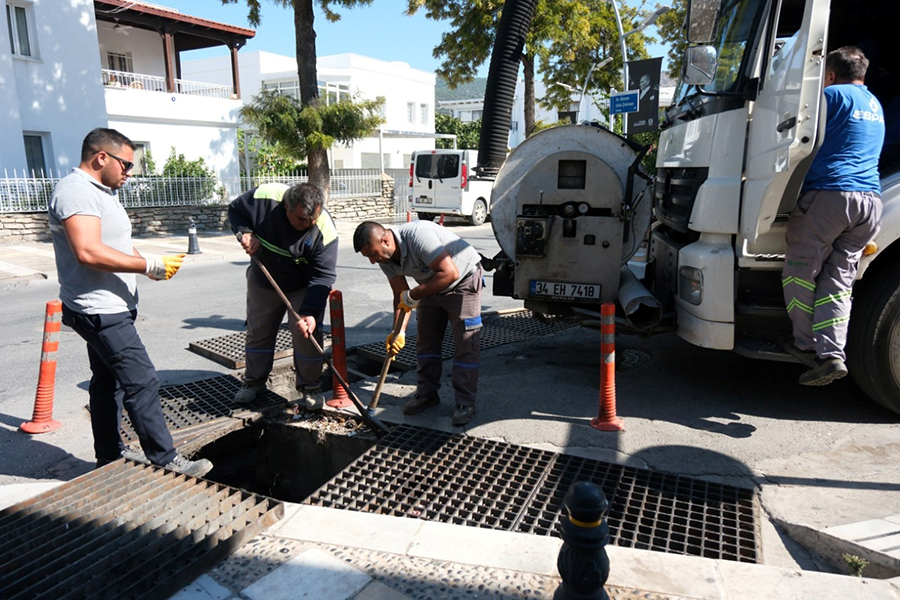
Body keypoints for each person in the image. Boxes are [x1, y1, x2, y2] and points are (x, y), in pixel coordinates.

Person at [48, 128, 212, 477]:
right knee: (142, 380)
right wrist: (146, 265)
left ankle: (108, 454)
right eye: (125, 164)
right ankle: (165, 458)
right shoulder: (76, 192)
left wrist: (148, 264)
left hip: (111, 306)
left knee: (108, 382)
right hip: (98, 310)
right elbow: (88, 251)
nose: (129, 172)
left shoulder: (100, 192)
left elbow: (115, 243)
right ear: (101, 157)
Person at [781, 46, 885, 386]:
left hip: (831, 197)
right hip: (870, 202)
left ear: (829, 74)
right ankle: (831, 355)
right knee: (838, 281)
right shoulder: (875, 105)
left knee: (800, 271)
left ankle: (806, 345)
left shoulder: (829, 95)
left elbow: (797, 137)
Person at [353, 220, 483, 426]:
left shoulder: (418, 237)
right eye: (368, 256)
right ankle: (427, 394)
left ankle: (465, 403)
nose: (372, 261)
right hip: (431, 284)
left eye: (373, 254)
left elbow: (450, 273)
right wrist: (399, 332)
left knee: (466, 344)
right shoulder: (385, 259)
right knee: (426, 342)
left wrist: (414, 295)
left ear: (386, 241)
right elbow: (400, 296)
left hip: (462, 280)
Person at [228, 182, 338, 409]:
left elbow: (322, 278)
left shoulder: (324, 230)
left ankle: (310, 387)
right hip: (264, 280)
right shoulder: (264, 198)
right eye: (301, 220)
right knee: (259, 331)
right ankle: (253, 383)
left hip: (302, 286)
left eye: (313, 219)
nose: (309, 224)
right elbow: (235, 211)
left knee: (307, 335)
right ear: (286, 207)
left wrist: (310, 313)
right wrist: (245, 233)